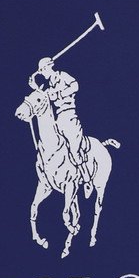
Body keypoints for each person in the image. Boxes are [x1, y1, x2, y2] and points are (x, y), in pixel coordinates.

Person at [29, 57, 92, 185]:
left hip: (70, 117)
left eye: (43, 70)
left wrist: (59, 94)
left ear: (48, 67)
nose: (42, 73)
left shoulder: (62, 76)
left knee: (74, 150)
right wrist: (35, 87)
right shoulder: (48, 87)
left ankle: (86, 177)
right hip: (57, 119)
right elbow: (42, 98)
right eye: (40, 71)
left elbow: (75, 86)